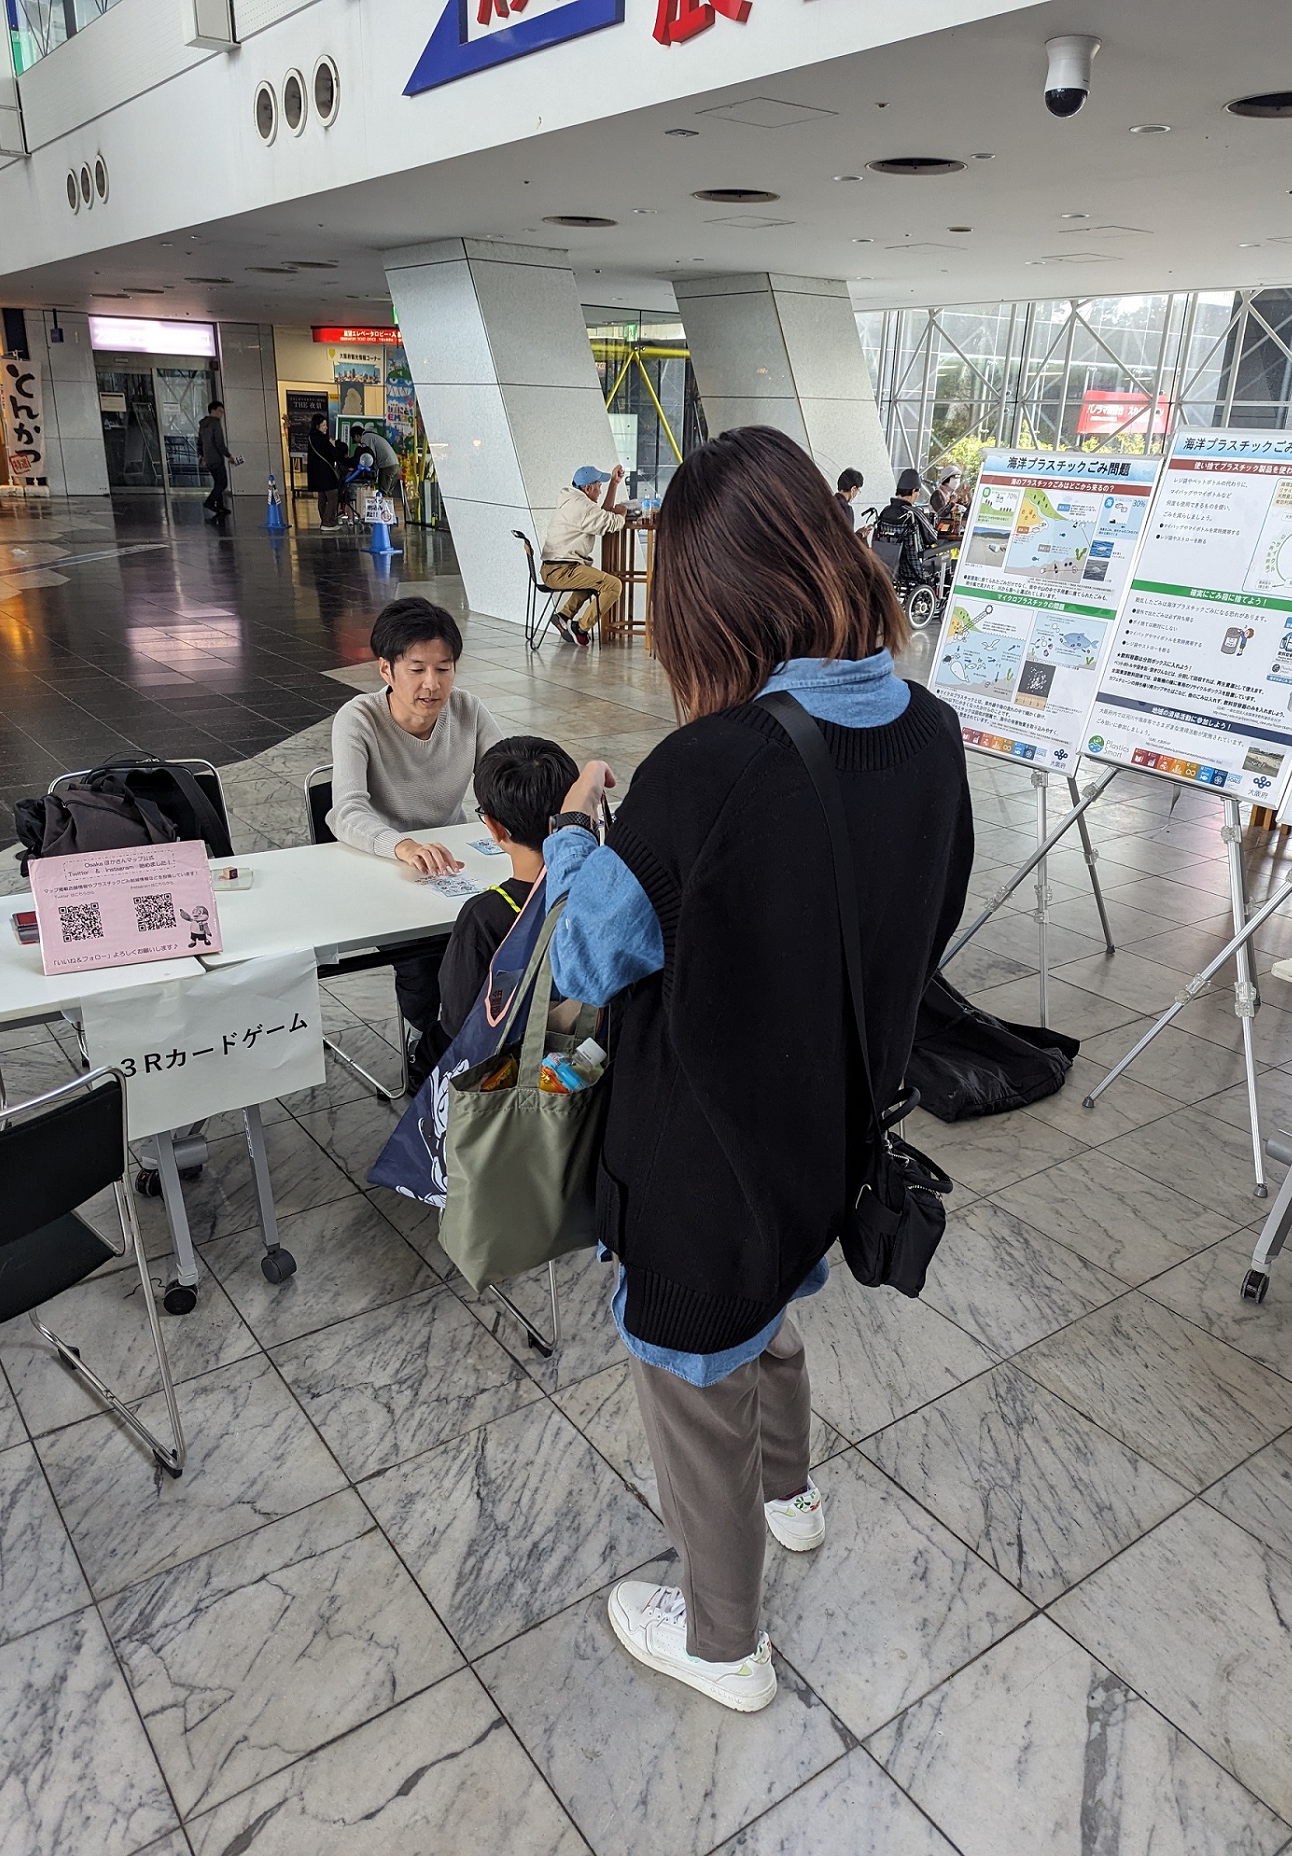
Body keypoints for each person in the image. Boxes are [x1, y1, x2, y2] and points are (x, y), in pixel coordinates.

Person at [541, 425, 973, 1712]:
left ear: (714, 600)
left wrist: (572, 831)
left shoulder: (708, 768)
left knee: (689, 1370)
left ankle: (723, 1641)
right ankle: (792, 1492)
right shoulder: (933, 730)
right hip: (826, 1128)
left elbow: (584, 956)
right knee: (769, 1305)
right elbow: (921, 916)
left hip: (701, 1151)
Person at [328, 598, 502, 1071]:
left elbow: (504, 779)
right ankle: (431, 1047)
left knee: (496, 935)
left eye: (444, 669)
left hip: (453, 862)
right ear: (386, 669)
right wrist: (401, 845)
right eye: (417, 669)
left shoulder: (468, 710)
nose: (433, 684)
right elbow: (345, 811)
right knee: (428, 964)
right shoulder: (359, 720)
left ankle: (480, 1042)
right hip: (384, 866)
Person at [436, 735, 579, 1040]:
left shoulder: (484, 916)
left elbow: (459, 1025)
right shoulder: (605, 893)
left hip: (514, 1076)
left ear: (495, 827)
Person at [539, 464, 627, 647]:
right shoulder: (583, 507)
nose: (600, 491)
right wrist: (622, 515)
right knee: (613, 585)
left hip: (554, 568)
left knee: (593, 579)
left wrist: (614, 484)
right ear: (588, 488)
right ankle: (581, 627)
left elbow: (601, 514)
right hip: (561, 571)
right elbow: (610, 523)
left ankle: (563, 616)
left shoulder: (575, 502)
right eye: (599, 486)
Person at [198, 402, 240, 519]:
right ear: (213, 410)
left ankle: (220, 506)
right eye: (220, 411)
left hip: (209, 459)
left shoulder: (203, 424)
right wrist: (228, 455)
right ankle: (210, 502)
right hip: (216, 457)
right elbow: (219, 443)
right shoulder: (215, 424)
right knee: (222, 483)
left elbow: (200, 442)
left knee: (218, 482)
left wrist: (202, 455)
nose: (222, 414)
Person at [305, 412, 342, 532]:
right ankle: (328, 522)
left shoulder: (311, 438)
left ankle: (324, 520)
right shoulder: (323, 439)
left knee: (322, 497)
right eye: (324, 425)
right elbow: (334, 454)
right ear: (317, 426)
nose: (326, 427)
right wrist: (333, 445)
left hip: (316, 474)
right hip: (326, 473)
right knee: (333, 496)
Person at [350, 424, 401, 500]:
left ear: (357, 436)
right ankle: (389, 511)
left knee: (383, 495)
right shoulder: (372, 435)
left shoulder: (366, 438)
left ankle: (384, 511)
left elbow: (370, 456)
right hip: (395, 466)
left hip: (387, 466)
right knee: (388, 494)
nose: (359, 444)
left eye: (356, 440)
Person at [834, 467, 872, 542]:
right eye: (858, 490)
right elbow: (847, 541)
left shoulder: (827, 502)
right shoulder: (846, 509)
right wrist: (860, 534)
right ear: (853, 489)